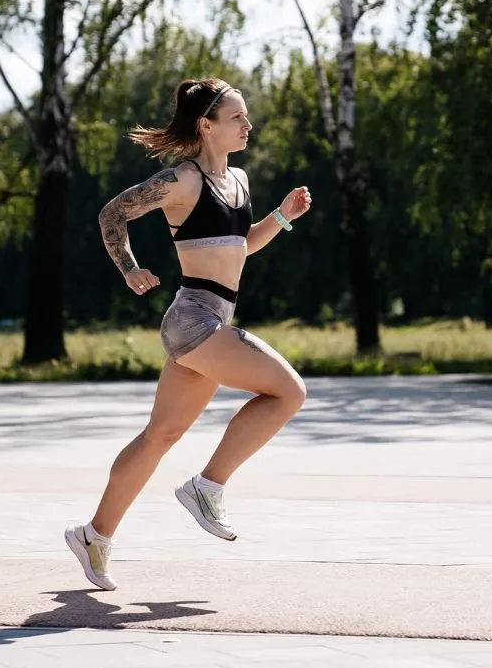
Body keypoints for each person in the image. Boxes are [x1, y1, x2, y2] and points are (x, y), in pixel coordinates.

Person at [65, 77, 312, 591]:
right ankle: (207, 486)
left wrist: (282, 218)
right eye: (237, 118)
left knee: (162, 435)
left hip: (210, 322)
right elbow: (113, 213)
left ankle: (94, 535)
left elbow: (241, 246)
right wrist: (130, 268)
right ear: (207, 125)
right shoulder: (182, 180)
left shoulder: (238, 181)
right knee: (289, 391)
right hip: (194, 320)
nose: (248, 124)